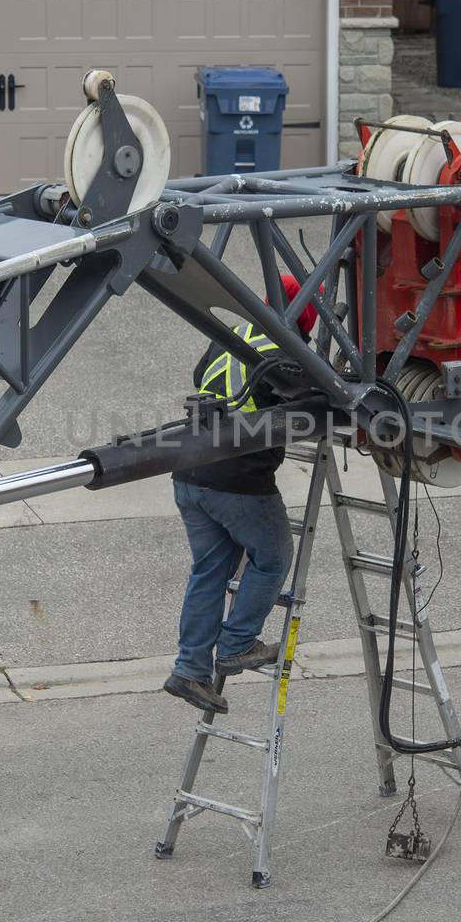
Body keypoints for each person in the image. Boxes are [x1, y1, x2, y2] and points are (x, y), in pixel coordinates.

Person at [163, 275, 319, 714]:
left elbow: (201, 377)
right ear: (306, 312)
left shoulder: (232, 334)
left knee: (209, 571)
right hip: (238, 480)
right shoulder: (285, 351)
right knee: (272, 558)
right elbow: (309, 397)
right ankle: (236, 644)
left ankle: (190, 671)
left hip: (189, 472)